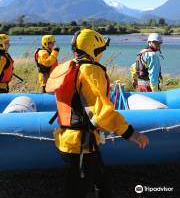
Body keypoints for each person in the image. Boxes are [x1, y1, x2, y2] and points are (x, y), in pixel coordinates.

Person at [46, 28, 149, 198]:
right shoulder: (91, 71)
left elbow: (85, 106)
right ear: (94, 49)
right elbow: (102, 112)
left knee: (99, 180)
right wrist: (131, 133)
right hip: (80, 144)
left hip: (71, 139)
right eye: (101, 50)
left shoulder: (73, 67)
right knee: (77, 189)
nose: (102, 53)